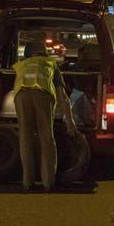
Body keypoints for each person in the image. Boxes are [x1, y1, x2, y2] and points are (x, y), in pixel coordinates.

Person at [13, 41, 78, 192]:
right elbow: (62, 97)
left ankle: (28, 182)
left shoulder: (22, 65)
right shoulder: (50, 64)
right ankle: (48, 182)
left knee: (25, 139)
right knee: (47, 138)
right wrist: (70, 122)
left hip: (21, 95)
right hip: (42, 94)